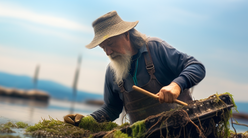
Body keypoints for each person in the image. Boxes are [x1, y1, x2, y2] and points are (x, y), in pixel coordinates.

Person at [64, 11, 205, 125]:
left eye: (110, 43)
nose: (108, 52)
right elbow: (112, 108)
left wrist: (176, 85)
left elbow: (196, 67)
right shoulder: (112, 72)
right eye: (103, 48)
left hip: (186, 127)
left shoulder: (155, 48)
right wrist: (87, 120)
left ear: (126, 35)